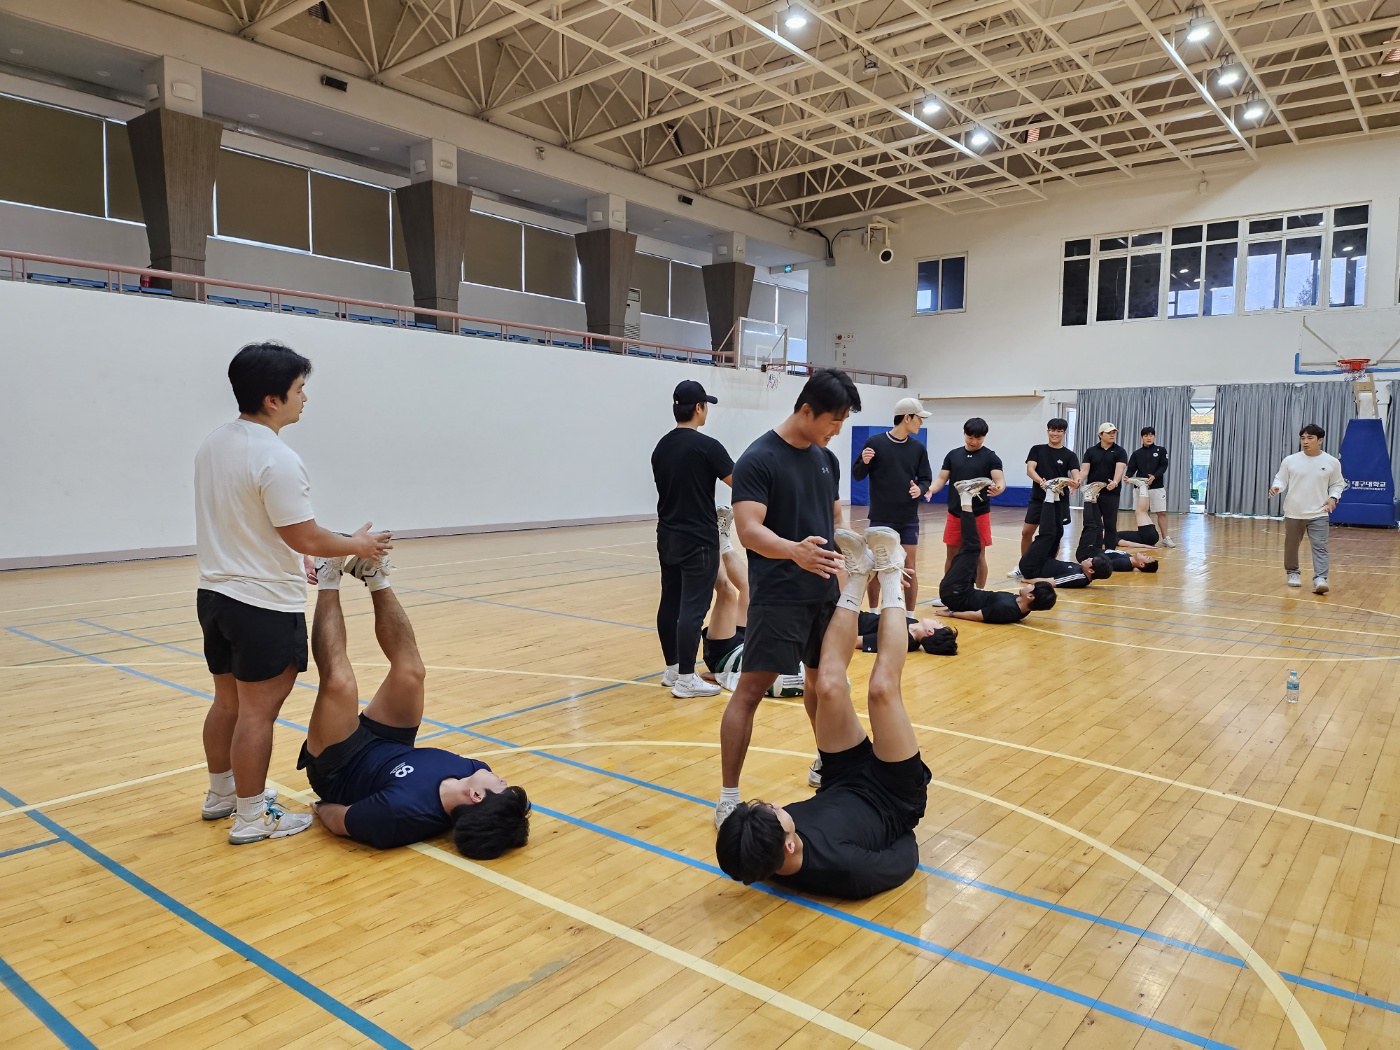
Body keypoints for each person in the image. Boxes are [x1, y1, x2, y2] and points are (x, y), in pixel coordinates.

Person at [195, 341, 391, 846]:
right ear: (272, 399)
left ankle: (222, 794)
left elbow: (253, 520)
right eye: (300, 389)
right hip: (261, 605)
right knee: (257, 713)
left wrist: (294, 550)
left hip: (215, 597)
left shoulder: (214, 444)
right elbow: (306, 536)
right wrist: (358, 545)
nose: (306, 398)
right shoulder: (277, 457)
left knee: (227, 704)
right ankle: (251, 817)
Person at [715, 527, 932, 900]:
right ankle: (891, 571)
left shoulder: (761, 847)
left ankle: (858, 574)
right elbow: (906, 855)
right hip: (894, 796)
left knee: (829, 686)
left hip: (842, 778)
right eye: (773, 812)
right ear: (790, 846)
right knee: (882, 690)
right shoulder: (848, 871)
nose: (775, 805)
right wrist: (894, 826)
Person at [299, 557, 530, 856]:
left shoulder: (400, 814)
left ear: (475, 795)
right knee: (411, 671)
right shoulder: (475, 770)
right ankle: (375, 576)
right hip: (390, 742)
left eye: (502, 786)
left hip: (339, 766)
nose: (503, 780)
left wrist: (322, 806)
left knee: (339, 682)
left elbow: (338, 820)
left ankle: (328, 573)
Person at [717, 368, 860, 828]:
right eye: (833, 420)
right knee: (749, 692)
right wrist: (794, 552)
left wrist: (858, 559)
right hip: (778, 598)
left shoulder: (827, 459)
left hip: (824, 594)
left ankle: (826, 762)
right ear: (807, 410)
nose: (837, 430)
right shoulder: (758, 459)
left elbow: (835, 522)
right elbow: (748, 530)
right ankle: (728, 797)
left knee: (824, 684)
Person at [652, 380, 734, 698]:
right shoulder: (707, 447)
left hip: (667, 535)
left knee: (670, 601)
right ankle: (687, 678)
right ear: (699, 408)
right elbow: (739, 481)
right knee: (693, 606)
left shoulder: (661, 447)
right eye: (706, 405)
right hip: (698, 538)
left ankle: (673, 669)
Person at [852, 397, 934, 609]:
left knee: (909, 567)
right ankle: (873, 613)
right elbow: (858, 474)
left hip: (908, 518)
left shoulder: (918, 448)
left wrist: (920, 489)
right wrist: (865, 461)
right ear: (907, 418)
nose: (921, 423)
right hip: (881, 518)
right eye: (919, 418)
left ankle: (909, 617)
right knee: (878, 567)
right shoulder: (875, 443)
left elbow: (926, 478)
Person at [937, 480, 1056, 622]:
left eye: (1031, 587)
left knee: (973, 547)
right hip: (964, 589)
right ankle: (966, 497)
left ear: (1031, 596)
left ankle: (966, 496)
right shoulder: (1022, 605)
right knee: (973, 548)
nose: (1029, 585)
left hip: (955, 593)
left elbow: (978, 616)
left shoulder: (1006, 609)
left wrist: (951, 614)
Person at [926, 418, 1006, 588]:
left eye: (979, 438)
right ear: (964, 433)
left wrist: (999, 488)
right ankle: (949, 591)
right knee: (952, 555)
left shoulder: (990, 457)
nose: (974, 442)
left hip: (979, 514)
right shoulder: (953, 455)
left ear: (984, 437)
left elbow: (999, 479)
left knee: (979, 555)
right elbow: (941, 478)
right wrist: (931, 489)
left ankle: (980, 592)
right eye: (970, 437)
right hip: (955, 513)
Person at [1270, 423, 1346, 594]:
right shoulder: (1290, 460)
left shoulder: (1332, 462)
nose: (1305, 441)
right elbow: (1280, 479)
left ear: (1320, 440)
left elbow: (1337, 484)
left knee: (1320, 546)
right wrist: (1277, 487)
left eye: (1310, 438)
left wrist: (1333, 497)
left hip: (1319, 512)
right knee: (1291, 546)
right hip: (1294, 512)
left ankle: (1320, 578)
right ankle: (1292, 572)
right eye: (1303, 438)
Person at [1014, 418, 1081, 575]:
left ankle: (1048, 565)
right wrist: (1041, 482)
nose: (1055, 433)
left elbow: (1076, 474)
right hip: (1039, 499)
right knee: (1026, 532)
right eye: (1052, 430)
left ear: (1064, 433)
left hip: (1059, 501)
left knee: (1054, 535)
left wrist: (1075, 482)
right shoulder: (1037, 450)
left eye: (1059, 431)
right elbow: (1030, 469)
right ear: (1048, 431)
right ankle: (1024, 566)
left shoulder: (1069, 455)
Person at [1017, 479, 1112, 588]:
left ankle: (1049, 494)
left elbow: (1051, 582)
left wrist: (1028, 580)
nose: (1089, 558)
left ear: (1091, 570)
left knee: (1048, 535)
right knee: (1058, 533)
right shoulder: (1082, 571)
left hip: (1031, 567)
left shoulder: (1079, 578)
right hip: (1044, 561)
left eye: (1091, 560)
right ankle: (1055, 495)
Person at [1075, 423, 1128, 561]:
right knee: (1095, 525)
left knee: (1110, 524)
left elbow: (1120, 470)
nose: (1112, 435)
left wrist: (1115, 482)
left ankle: (1110, 553)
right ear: (1100, 435)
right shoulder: (1091, 451)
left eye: (1114, 432)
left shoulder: (1120, 451)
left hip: (1111, 494)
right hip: (1093, 494)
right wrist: (1076, 482)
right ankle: (1096, 552)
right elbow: (1084, 471)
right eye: (1109, 432)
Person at [1126, 427, 1175, 548]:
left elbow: (1164, 466)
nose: (1149, 438)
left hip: (1157, 487)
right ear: (1141, 437)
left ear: (1154, 436)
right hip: (1141, 488)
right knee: (1141, 513)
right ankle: (1145, 537)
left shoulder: (1161, 450)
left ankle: (1165, 538)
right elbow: (1131, 468)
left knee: (1161, 512)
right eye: (1146, 436)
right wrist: (1127, 477)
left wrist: (1154, 476)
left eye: (1151, 435)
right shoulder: (1137, 453)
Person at [1112, 479, 1164, 548]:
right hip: (1146, 537)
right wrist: (1145, 546)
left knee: (1143, 511)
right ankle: (1142, 486)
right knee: (1140, 512)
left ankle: (1144, 488)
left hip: (1148, 535)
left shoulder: (1110, 534)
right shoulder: (1109, 538)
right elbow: (1125, 543)